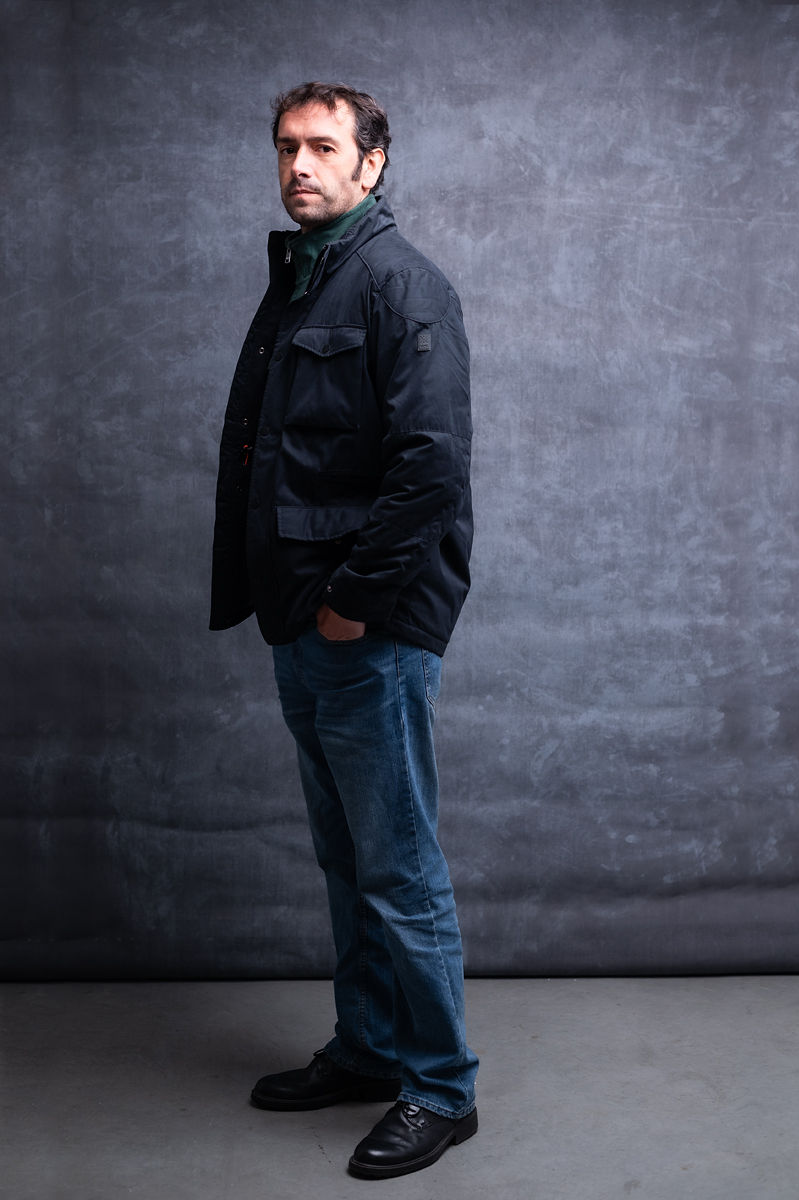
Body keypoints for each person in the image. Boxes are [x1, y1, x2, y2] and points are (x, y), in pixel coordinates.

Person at [210, 81, 478, 1181]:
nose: (299, 166)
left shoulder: (400, 283)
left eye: (323, 147)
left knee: (398, 867)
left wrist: (355, 600)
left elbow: (431, 469)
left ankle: (441, 1088)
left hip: (367, 628)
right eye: (287, 147)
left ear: (373, 163)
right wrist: (294, 605)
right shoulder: (305, 277)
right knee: (347, 859)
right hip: (303, 622)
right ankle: (369, 1048)